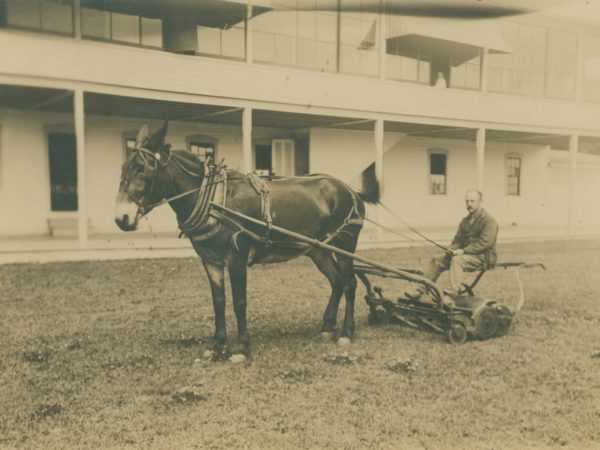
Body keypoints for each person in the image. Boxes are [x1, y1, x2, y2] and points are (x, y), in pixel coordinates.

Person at [405, 189, 498, 302]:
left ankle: (450, 294)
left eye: (472, 201)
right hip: (465, 255)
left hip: (482, 257)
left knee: (457, 260)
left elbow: (485, 243)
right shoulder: (466, 221)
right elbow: (458, 239)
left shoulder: (489, 221)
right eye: (467, 202)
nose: (469, 204)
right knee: (437, 260)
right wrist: (452, 249)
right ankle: (420, 290)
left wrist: (463, 251)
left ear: (480, 201)